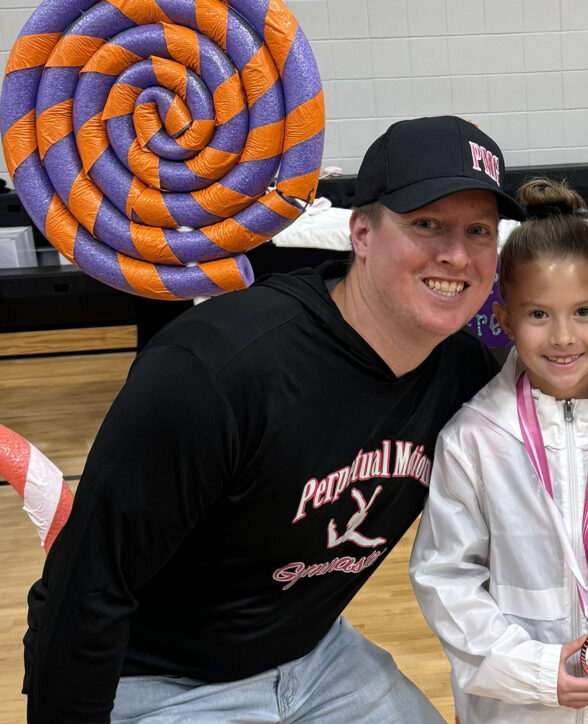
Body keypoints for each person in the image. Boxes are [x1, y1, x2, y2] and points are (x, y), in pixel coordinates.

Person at [23, 115, 525, 723]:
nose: (456, 254)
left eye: (478, 231)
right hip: (158, 677)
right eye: (426, 224)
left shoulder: (465, 375)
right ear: (361, 232)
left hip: (316, 657)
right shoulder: (217, 371)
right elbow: (86, 588)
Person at [409, 178, 588, 723]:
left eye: (583, 312)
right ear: (507, 320)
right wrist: (532, 671)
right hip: (517, 704)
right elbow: (446, 578)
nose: (562, 336)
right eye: (538, 315)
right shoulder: (474, 439)